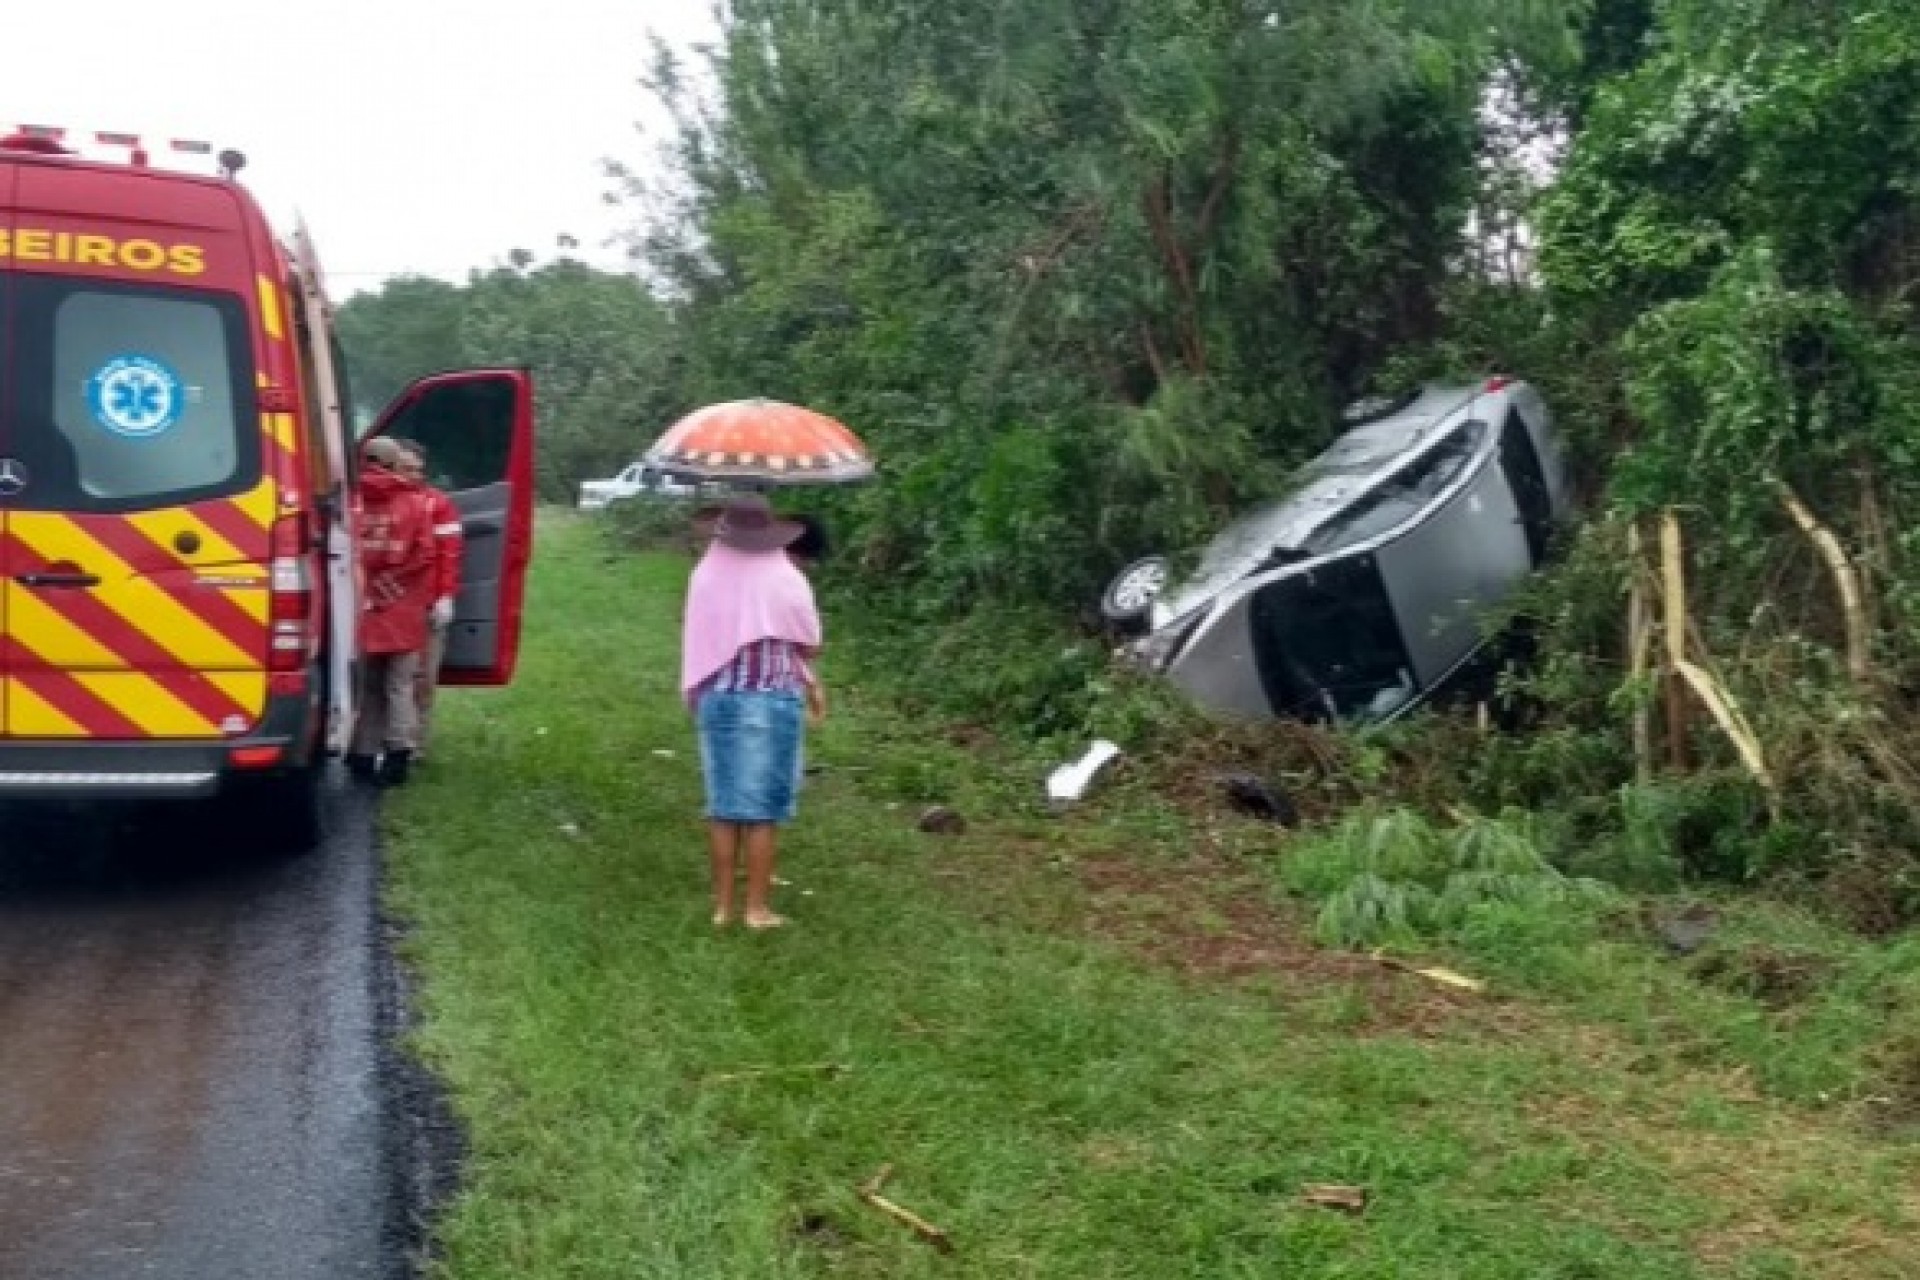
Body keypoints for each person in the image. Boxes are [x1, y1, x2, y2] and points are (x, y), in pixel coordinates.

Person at [681, 494, 828, 929]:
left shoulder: (705, 575)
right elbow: (811, 642)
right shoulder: (785, 578)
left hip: (718, 698)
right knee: (764, 809)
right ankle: (757, 909)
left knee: (724, 806)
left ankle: (723, 908)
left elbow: (701, 637)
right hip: (770, 698)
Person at [347, 437, 437, 787]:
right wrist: (393, 586)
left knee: (368, 687)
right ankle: (398, 756)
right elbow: (426, 554)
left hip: (362, 607)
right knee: (400, 686)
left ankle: (363, 755)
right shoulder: (415, 503)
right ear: (392, 463)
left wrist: (370, 589)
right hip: (402, 608)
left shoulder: (350, 501)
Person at [397, 440, 463, 763]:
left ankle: (415, 744)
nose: (414, 476)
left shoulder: (437, 504)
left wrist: (445, 597)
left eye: (418, 470)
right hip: (389, 606)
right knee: (386, 679)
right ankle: (387, 740)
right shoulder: (374, 500)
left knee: (423, 677)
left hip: (424, 604)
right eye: (406, 469)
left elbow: (449, 554)